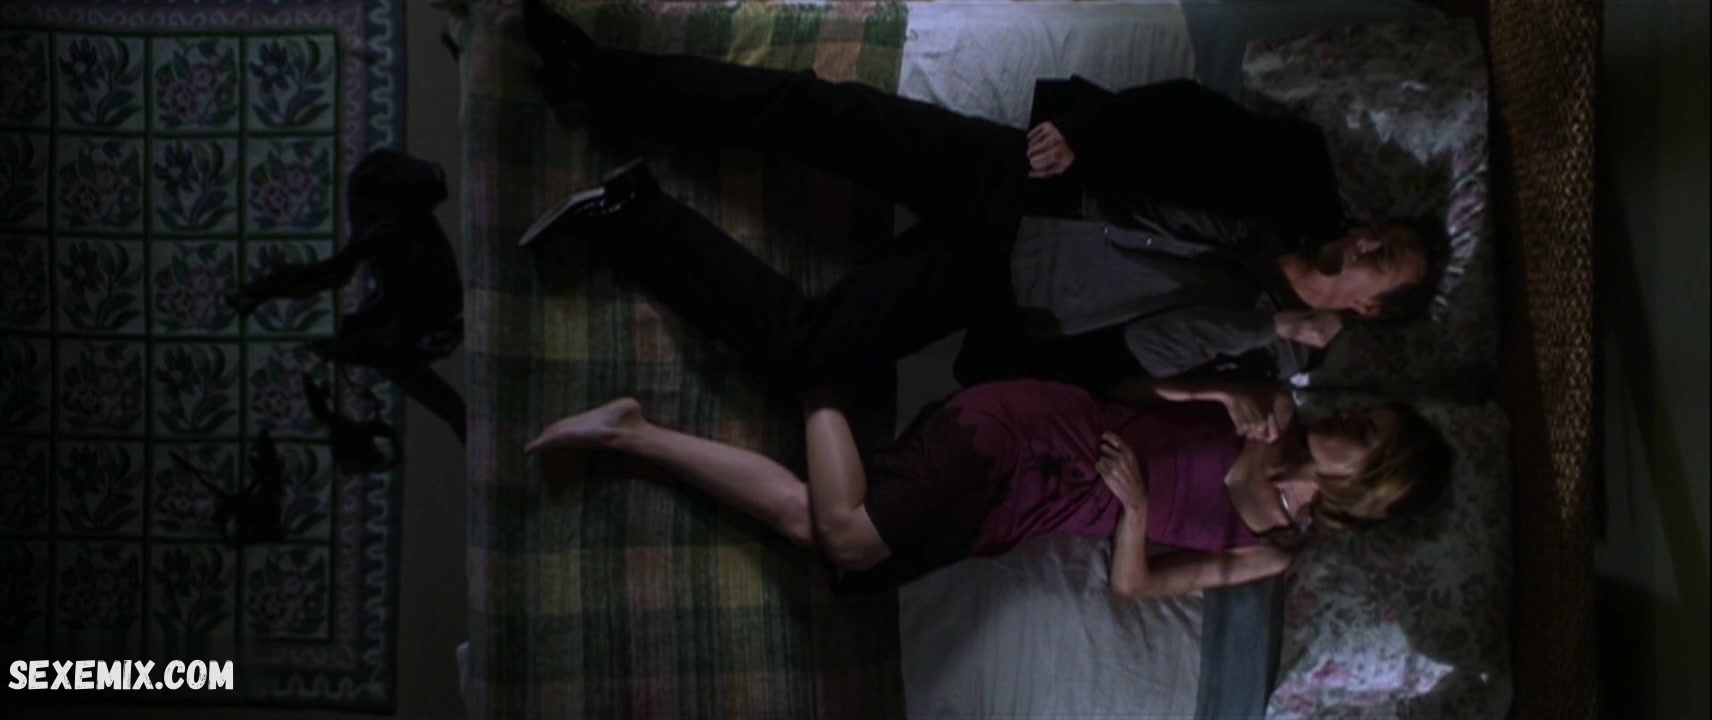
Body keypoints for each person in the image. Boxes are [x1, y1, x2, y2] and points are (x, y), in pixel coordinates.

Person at [520, 1, 1449, 393]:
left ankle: (631, 216)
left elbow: (1138, 364)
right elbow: (1186, 108)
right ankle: (596, 77)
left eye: (1382, 262)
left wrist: (1268, 330)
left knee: (811, 354)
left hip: (1010, 286)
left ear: (1369, 308)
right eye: (1380, 233)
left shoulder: (1267, 351)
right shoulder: (1296, 174)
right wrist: (1089, 130)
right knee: (818, 112)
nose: (1364, 243)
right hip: (1030, 179)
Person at [525, 377, 1453, 596]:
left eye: (1366, 434)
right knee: (846, 536)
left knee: (825, 535)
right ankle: (819, 374)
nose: (1346, 418)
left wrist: (1135, 511)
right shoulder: (1270, 408)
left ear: (1369, 485)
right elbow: (1129, 388)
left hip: (1037, 506)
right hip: (1034, 428)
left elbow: (1135, 586)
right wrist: (1217, 387)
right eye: (1362, 412)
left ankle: (633, 432)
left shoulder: (1273, 549)